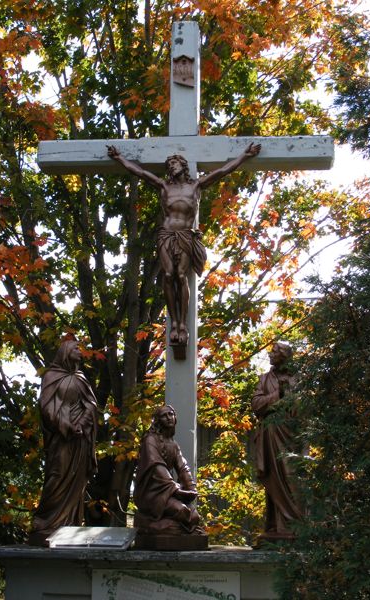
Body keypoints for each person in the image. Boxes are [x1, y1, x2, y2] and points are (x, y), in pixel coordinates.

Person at [107, 142, 261, 348]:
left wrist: (245, 156)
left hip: (186, 235)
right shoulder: (164, 186)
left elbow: (223, 171)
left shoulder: (196, 186)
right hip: (166, 234)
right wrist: (119, 159)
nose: (171, 166)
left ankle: (183, 324)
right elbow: (140, 172)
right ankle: (174, 322)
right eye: (169, 164)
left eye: (174, 163)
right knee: (168, 275)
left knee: (181, 275)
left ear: (183, 165)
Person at [28, 338, 98, 546]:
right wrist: (67, 426)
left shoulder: (80, 377)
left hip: (81, 438)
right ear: (66, 352)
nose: (80, 351)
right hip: (62, 437)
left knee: (78, 479)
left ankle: (71, 522)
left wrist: (82, 424)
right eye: (76, 348)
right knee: (56, 475)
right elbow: (46, 407)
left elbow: (92, 404)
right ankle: (45, 520)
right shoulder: (51, 376)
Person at [251, 342, 301, 541]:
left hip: (292, 438)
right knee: (274, 478)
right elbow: (256, 405)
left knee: (292, 478)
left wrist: (287, 400)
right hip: (271, 438)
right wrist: (277, 395)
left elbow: (301, 407)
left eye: (274, 351)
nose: (270, 354)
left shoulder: (298, 380)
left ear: (285, 356)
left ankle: (296, 525)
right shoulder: (264, 379)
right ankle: (275, 527)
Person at [133, 405, 203, 536]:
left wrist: (191, 489)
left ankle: (185, 532)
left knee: (194, 515)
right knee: (182, 511)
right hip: (152, 493)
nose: (169, 418)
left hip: (168, 491)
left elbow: (183, 468)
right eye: (164, 416)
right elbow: (157, 467)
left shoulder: (173, 444)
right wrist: (176, 490)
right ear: (158, 421)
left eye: (171, 414)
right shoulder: (150, 440)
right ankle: (165, 528)